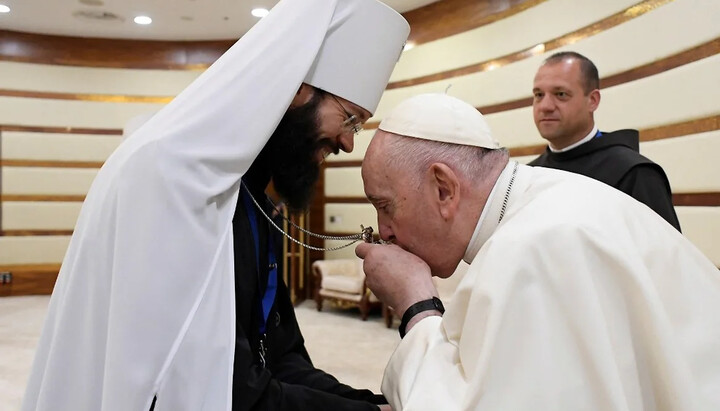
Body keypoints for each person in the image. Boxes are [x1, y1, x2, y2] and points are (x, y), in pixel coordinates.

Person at [22, 1, 409, 410]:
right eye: (350, 119)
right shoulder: (168, 178)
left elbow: (279, 356)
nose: (349, 143)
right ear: (297, 88)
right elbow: (216, 386)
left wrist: (373, 403)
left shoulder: (254, 200)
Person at [356, 93, 720, 410]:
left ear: (444, 189)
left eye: (385, 206)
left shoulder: (533, 247)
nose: (384, 229)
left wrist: (415, 304)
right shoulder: (548, 200)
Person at [529, 51, 681, 231]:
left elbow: (665, 255)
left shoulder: (634, 174)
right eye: (539, 95)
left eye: (561, 94)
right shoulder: (530, 175)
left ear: (592, 101)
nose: (545, 106)